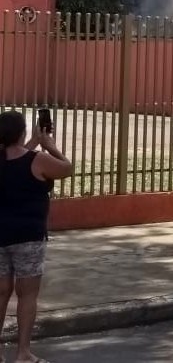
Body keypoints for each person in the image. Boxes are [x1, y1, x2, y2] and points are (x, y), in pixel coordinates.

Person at [0, 110, 72, 363]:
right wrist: (50, 146)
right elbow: (67, 169)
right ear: (22, 133)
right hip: (28, 238)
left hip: (1, 237)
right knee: (27, 295)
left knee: (1, 292)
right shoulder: (38, 160)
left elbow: (14, 158)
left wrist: (32, 143)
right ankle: (23, 353)